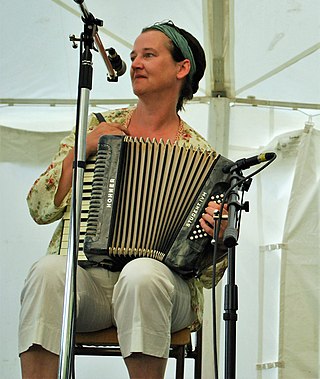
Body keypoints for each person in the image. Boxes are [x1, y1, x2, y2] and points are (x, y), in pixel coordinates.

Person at [19, 21, 228, 379]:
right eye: (133, 56)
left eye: (148, 54)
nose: (135, 63)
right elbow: (38, 206)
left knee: (142, 274)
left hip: (163, 292)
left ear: (182, 68)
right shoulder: (95, 129)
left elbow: (208, 276)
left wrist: (219, 239)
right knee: (47, 271)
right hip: (91, 286)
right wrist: (80, 153)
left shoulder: (203, 159)